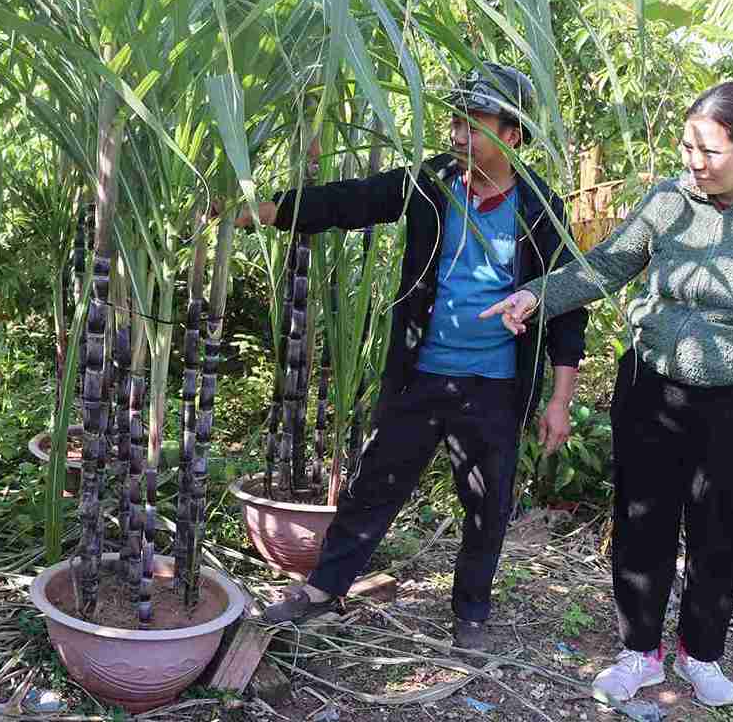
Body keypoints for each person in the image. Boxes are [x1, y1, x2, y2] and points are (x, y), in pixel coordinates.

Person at [482, 81, 733, 706]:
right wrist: (538, 295)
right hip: (650, 387)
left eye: (710, 152)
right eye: (687, 148)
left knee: (720, 529)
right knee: (641, 519)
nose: (694, 163)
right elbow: (606, 263)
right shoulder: (670, 199)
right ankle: (639, 651)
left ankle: (701, 653)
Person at [235, 64, 589, 651]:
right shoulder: (433, 183)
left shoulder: (539, 208)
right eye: (455, 122)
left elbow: (567, 305)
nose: (458, 135)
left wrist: (559, 399)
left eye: (474, 124)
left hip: (496, 384)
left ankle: (471, 612)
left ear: (513, 134)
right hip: (419, 374)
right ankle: (322, 589)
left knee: (488, 504)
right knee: (374, 485)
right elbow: (355, 201)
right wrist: (267, 211)